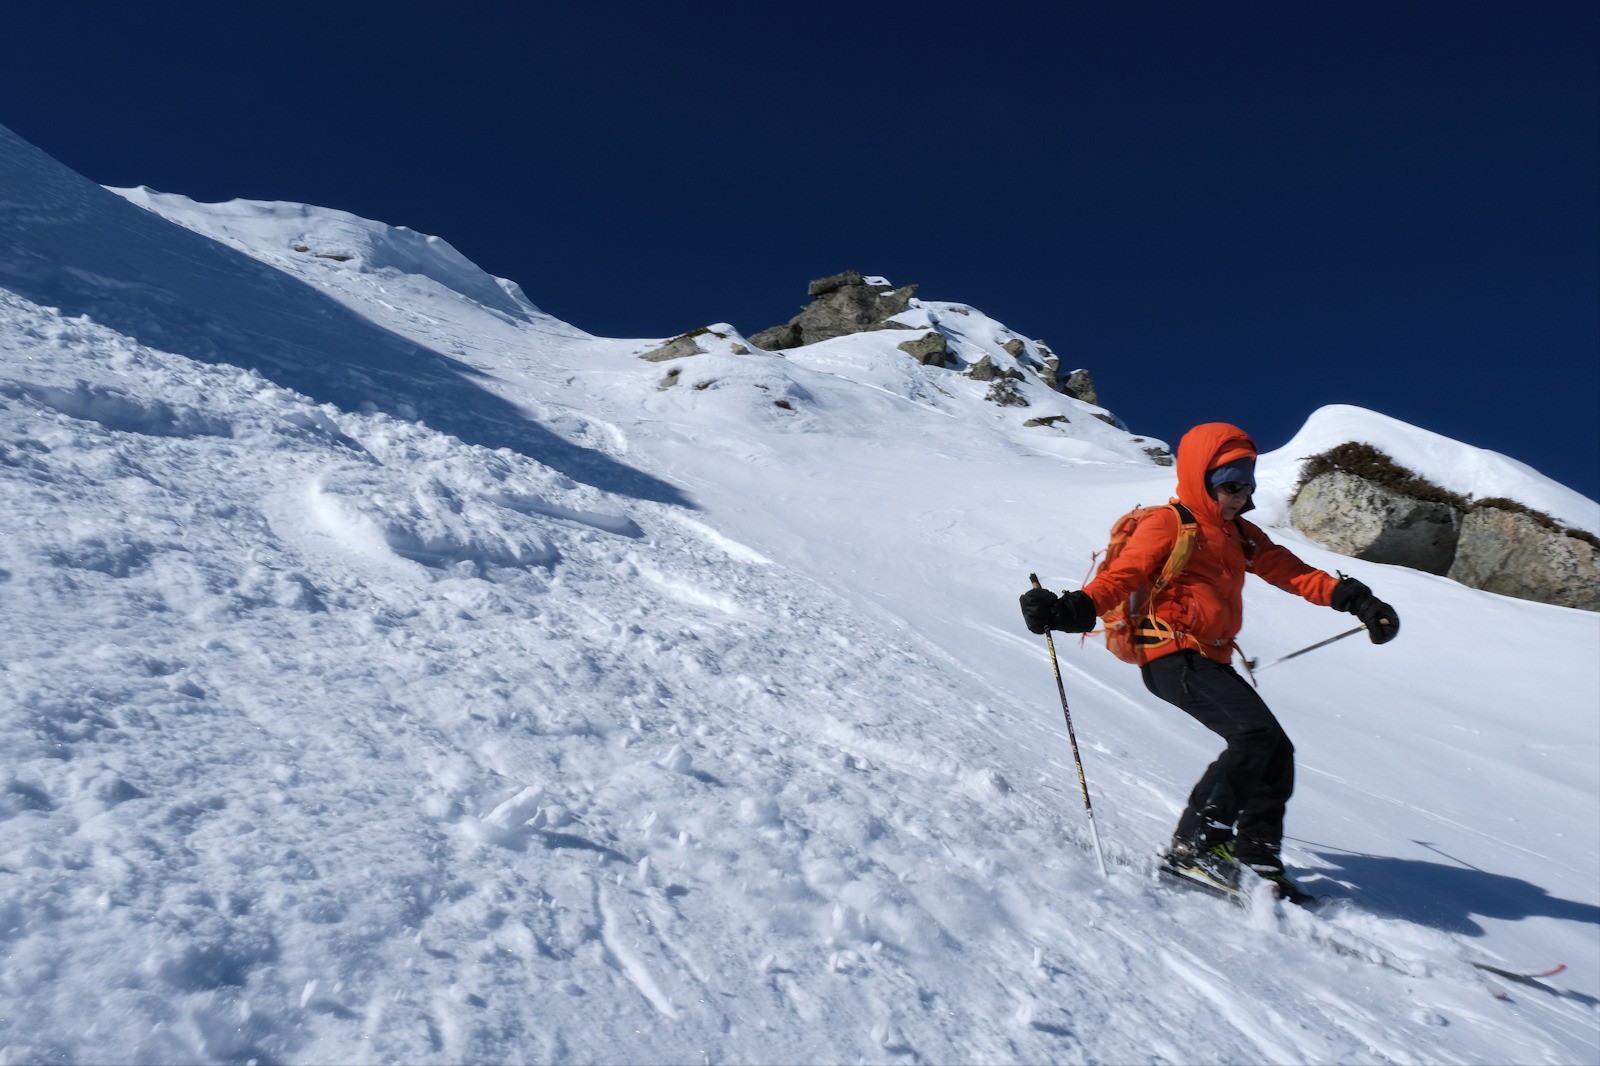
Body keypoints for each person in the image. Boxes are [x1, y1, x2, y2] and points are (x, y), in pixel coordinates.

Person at [1019, 422, 1399, 899]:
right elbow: (1124, 575)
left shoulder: (1240, 535)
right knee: (1254, 736)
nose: (1241, 495)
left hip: (1208, 659)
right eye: (1230, 483)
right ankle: (1195, 846)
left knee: (1275, 749)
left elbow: (1292, 572)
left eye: (1248, 483)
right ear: (1202, 477)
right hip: (1170, 656)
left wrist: (1354, 598)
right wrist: (1072, 609)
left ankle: (1256, 855)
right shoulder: (1168, 523)